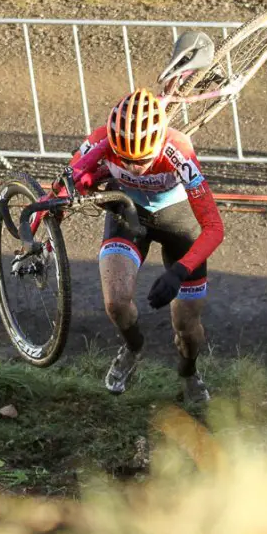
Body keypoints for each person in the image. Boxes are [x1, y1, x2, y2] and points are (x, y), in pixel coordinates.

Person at [50, 88, 224, 403]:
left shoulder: (179, 151)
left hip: (179, 222)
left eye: (142, 160)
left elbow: (213, 228)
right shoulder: (100, 141)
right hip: (128, 213)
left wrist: (179, 272)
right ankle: (133, 347)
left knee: (187, 326)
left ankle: (188, 371)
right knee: (116, 303)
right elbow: (60, 192)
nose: (132, 167)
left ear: (157, 144)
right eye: (125, 159)